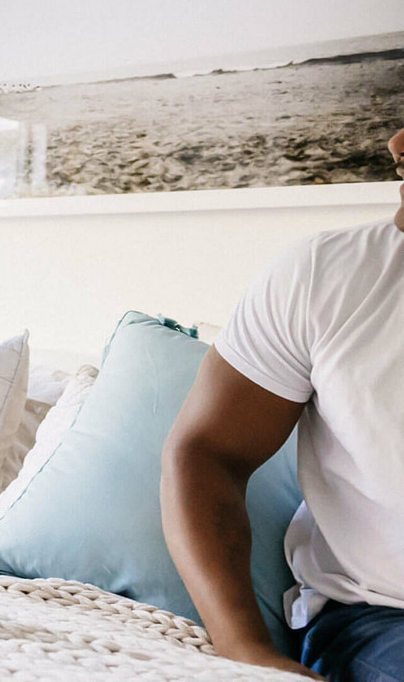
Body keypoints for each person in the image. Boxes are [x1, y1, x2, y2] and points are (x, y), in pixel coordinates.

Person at [162, 125, 404, 681]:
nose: (396, 142)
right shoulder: (325, 277)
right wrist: (245, 651)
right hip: (384, 619)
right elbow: (207, 454)